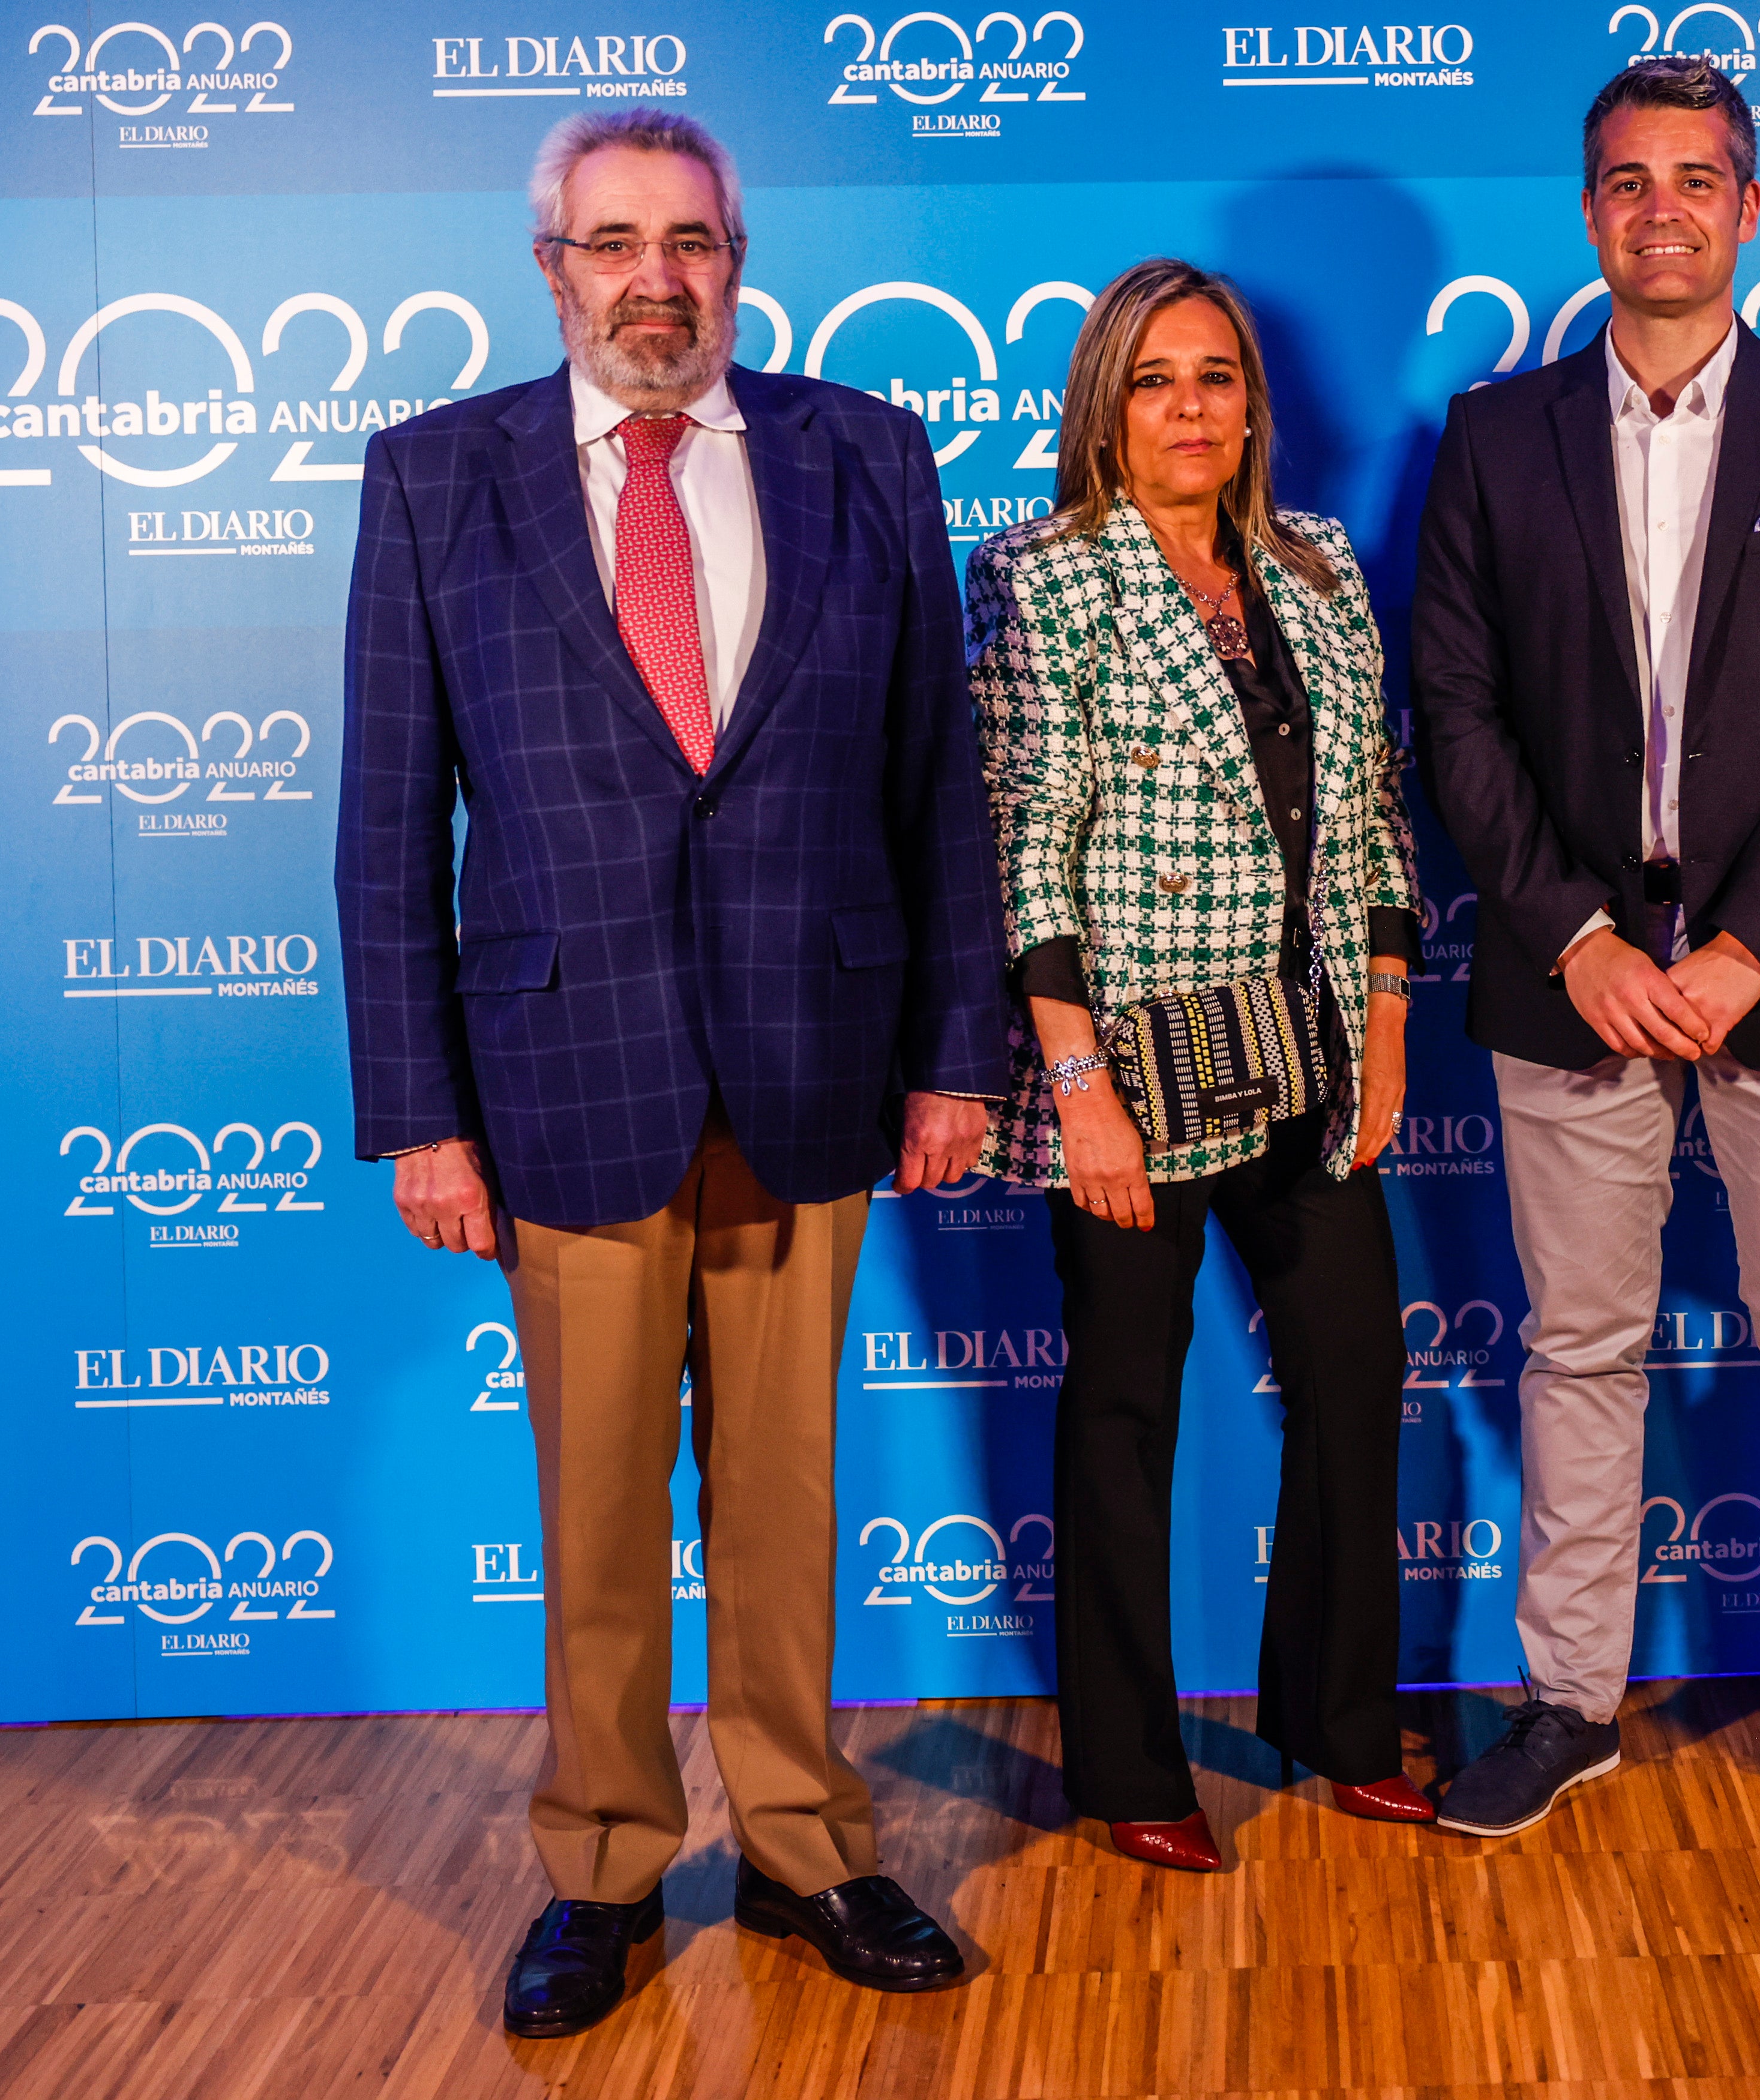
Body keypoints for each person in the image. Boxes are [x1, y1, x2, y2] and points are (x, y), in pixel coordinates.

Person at [336, 107, 1008, 2033]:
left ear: (738, 257)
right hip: (564, 1075)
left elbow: (934, 788)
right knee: (601, 1511)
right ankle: (607, 1862)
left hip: (816, 1060)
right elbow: (393, 826)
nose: (658, 278)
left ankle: (807, 1842)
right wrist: (424, 1112)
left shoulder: (866, 453)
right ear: (551, 267)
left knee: (788, 1500)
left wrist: (957, 1052)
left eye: (692, 242)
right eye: (616, 243)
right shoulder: (434, 479)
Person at [1411, 58, 1760, 1863]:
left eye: (1697, 180)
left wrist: (1740, 950)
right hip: (1568, 972)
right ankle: (1569, 1701)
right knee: (1577, 1347)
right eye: (1629, 183)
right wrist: (1569, 930)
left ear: (1749, 208)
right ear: (1589, 213)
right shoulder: (1494, 438)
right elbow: (1456, 717)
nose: (1663, 211)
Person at [967, 259, 1432, 1872]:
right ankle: (1128, 1765)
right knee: (1121, 1411)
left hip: (1305, 1051)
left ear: (1253, 403)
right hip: (1134, 1068)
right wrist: (1077, 1090)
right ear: (1106, 404)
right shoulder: (1040, 575)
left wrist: (1382, 1025)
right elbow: (1025, 837)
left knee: (1357, 1376)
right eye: (1157, 378)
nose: (1192, 407)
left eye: (1218, 376)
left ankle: (1339, 1719)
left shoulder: (1317, 565)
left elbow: (1374, 804)